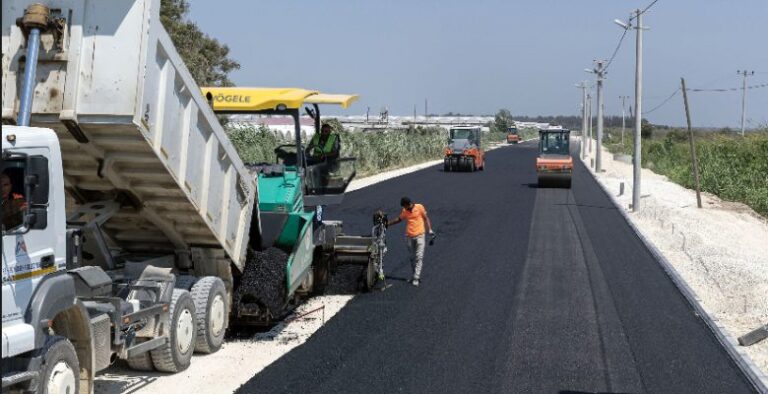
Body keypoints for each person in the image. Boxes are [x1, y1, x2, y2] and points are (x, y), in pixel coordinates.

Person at [387, 197, 433, 286]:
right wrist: (388, 224)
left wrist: (430, 229)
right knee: (412, 258)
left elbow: (426, 218)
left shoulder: (419, 207)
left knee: (419, 257)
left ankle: (416, 277)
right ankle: (414, 275)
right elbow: (399, 219)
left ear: (409, 203)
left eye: (405, 206)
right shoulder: (405, 210)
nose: (404, 208)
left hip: (420, 236)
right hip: (409, 237)